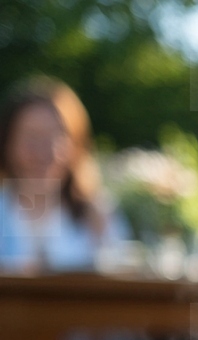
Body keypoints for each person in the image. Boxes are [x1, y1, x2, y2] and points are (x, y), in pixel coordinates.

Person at [0, 77, 126, 273]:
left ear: (76, 145)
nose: (43, 153)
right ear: (7, 143)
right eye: (31, 137)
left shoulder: (97, 215)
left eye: (56, 137)